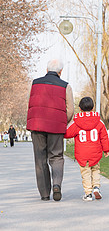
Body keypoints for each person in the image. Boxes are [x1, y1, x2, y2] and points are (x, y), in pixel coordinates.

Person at [26, 59, 74, 201]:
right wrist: (62, 122)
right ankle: (57, 185)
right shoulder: (66, 86)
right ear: (60, 72)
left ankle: (45, 194)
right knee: (56, 157)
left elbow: (31, 102)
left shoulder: (35, 83)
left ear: (46, 70)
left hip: (37, 125)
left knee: (40, 159)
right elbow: (70, 109)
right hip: (56, 127)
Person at [65, 97, 109, 201]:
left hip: (82, 154)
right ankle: (96, 187)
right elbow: (104, 136)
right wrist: (106, 149)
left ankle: (88, 193)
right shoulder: (99, 122)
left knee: (85, 173)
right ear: (93, 107)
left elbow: (67, 133)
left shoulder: (76, 123)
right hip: (95, 152)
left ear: (80, 108)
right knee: (95, 170)